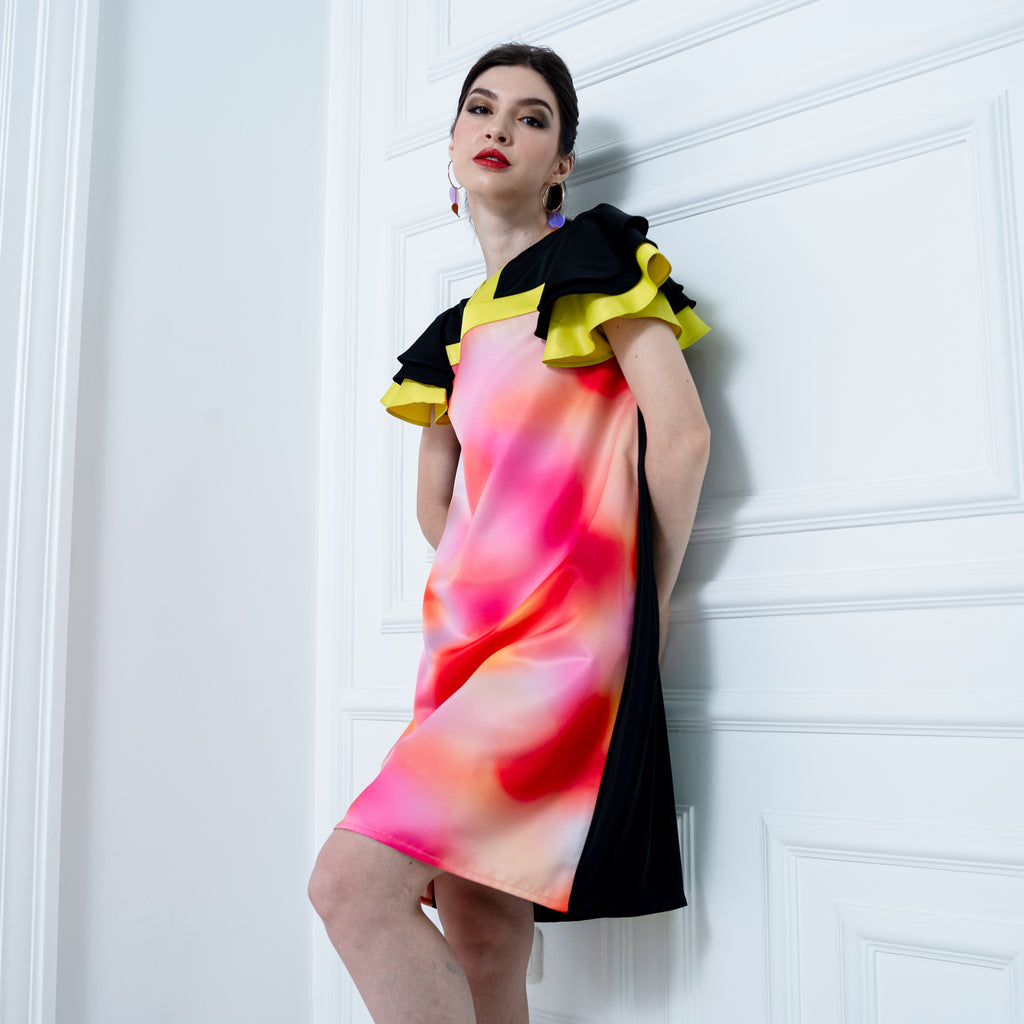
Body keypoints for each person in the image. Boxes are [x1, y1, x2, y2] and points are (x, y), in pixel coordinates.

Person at [308, 42, 711, 1024]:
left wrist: (645, 600)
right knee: (481, 927)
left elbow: (682, 437)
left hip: (561, 647)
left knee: (351, 885)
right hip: (465, 648)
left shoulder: (598, 264)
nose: (499, 128)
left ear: (560, 162)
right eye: (480, 110)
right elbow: (438, 507)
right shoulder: (450, 335)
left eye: (532, 118)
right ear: (452, 143)